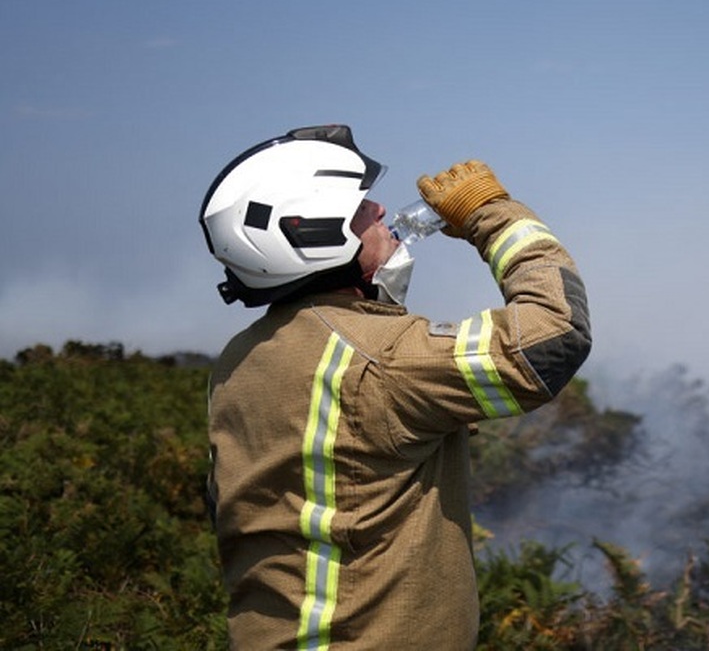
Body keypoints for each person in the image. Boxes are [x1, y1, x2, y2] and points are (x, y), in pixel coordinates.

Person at [199, 125, 591, 649]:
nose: (381, 210)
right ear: (311, 231)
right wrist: (491, 213)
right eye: (360, 206)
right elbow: (552, 336)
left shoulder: (238, 361)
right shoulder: (378, 357)